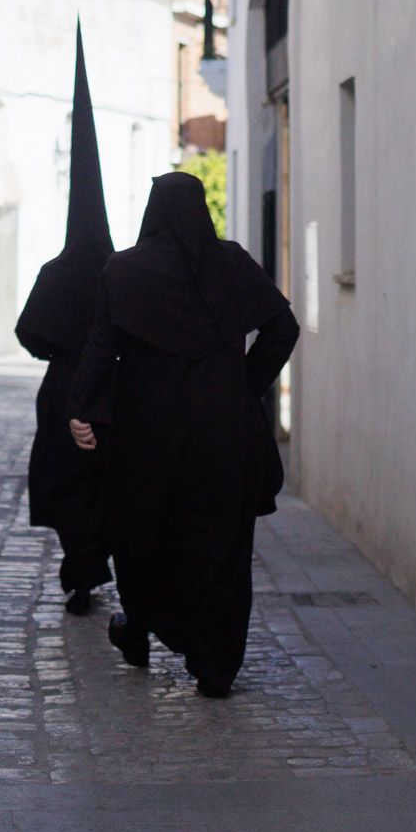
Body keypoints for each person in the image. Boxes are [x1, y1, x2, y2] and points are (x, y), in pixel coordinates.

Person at [68, 171, 298, 698]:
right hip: (224, 436)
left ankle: (146, 625)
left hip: (147, 439)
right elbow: (282, 328)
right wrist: (243, 386)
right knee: (221, 547)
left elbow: (101, 347)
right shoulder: (232, 263)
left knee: (146, 537)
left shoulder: (124, 272)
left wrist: (80, 408)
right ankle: (215, 665)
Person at [15, 26, 113, 614]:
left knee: (69, 485)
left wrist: (60, 351)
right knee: (101, 485)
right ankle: (92, 563)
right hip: (110, 395)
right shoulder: (123, 271)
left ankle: (80, 570)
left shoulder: (57, 270)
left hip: (63, 393)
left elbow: (28, 333)